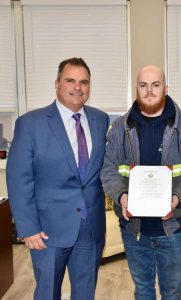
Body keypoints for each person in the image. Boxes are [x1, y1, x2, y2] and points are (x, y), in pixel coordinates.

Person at [100, 65, 181, 299]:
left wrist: (178, 198)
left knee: (172, 292)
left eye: (155, 85)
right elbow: (108, 169)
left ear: (166, 88)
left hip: (173, 227)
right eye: (143, 85)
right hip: (134, 229)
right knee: (143, 290)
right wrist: (121, 195)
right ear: (136, 89)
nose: (149, 91)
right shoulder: (119, 128)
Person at [6, 57, 109, 300]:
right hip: (47, 231)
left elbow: (107, 168)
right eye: (70, 80)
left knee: (85, 293)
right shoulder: (30, 124)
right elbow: (19, 179)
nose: (77, 87)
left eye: (84, 82)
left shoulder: (100, 120)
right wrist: (28, 228)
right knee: (47, 292)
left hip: (90, 227)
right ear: (57, 84)